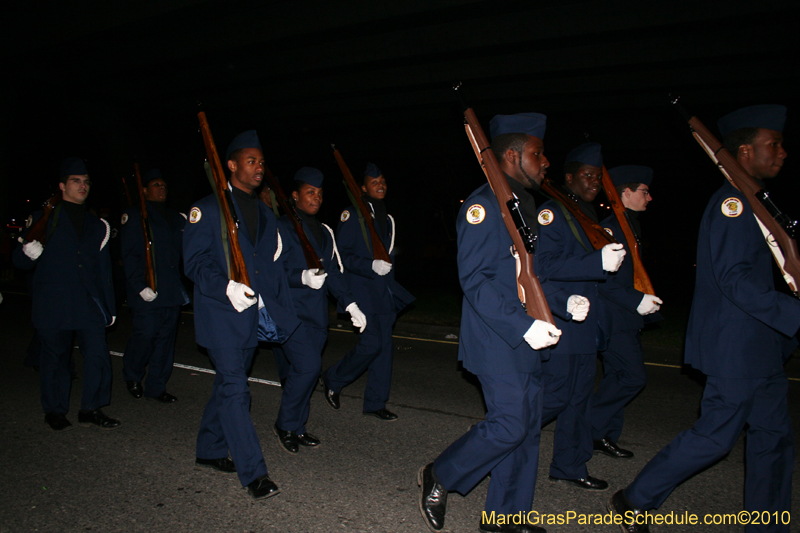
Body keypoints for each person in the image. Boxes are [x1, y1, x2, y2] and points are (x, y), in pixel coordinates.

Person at [609, 105, 797, 533]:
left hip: (762, 345)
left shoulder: (754, 202)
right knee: (715, 437)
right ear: (745, 151)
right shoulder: (733, 203)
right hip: (736, 347)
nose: (783, 153)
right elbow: (736, 280)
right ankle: (635, 499)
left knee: (774, 441)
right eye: (774, 145)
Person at [418, 113, 581, 533]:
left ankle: (503, 518)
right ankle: (440, 473)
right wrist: (522, 326)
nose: (546, 162)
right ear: (511, 155)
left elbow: (531, 274)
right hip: (497, 336)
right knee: (509, 425)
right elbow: (476, 280)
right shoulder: (483, 205)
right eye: (537, 153)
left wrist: (563, 301)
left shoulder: (523, 206)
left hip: (529, 336)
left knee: (526, 429)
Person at [183, 130, 300, 500]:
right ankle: (255, 474)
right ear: (231, 165)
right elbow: (196, 262)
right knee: (236, 389)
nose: (259, 168)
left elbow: (268, 268)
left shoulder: (265, 213)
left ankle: (209, 448)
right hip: (221, 314)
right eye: (251, 161)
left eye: (262, 162)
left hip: (251, 316)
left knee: (225, 386)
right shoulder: (208, 207)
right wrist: (226, 286)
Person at [533, 142, 628, 491]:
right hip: (563, 319)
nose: (594, 182)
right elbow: (543, 266)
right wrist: (595, 262)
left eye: (598, 177)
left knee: (579, 401)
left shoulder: (586, 216)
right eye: (587, 175)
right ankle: (500, 432)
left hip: (587, 323)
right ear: (568, 177)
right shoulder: (553, 213)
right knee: (556, 396)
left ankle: (570, 465)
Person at [13, 157, 120, 431]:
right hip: (54, 300)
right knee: (55, 358)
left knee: (97, 354)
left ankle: (91, 407)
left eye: (86, 182)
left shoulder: (98, 225)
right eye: (76, 181)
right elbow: (19, 261)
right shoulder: (43, 218)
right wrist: (28, 253)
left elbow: (103, 270)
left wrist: (110, 307)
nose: (82, 186)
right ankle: (55, 410)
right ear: (62, 186)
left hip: (88, 301)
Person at [272, 167, 367, 453]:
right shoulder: (281, 227)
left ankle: (297, 427)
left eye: (320, 193)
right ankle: (285, 424)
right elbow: (271, 272)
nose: (316, 198)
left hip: (316, 316)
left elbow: (334, 273)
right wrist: (300, 277)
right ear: (294, 196)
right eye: (310, 192)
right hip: (290, 313)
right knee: (309, 367)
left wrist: (350, 304)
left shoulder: (325, 231)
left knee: (305, 373)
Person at [321, 162, 414, 421]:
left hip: (383, 294)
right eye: (374, 182)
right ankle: (334, 377)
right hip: (361, 292)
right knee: (372, 344)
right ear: (362, 189)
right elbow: (342, 256)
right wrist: (369, 265)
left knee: (384, 349)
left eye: (383, 181)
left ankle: (375, 402)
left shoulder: (388, 218)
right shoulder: (352, 215)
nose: (381, 185)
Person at [591, 165, 662, 459]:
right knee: (633, 377)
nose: (650, 197)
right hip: (614, 318)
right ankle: (588, 426)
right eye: (644, 191)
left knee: (616, 378)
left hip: (626, 318)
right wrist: (637, 301)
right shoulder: (611, 228)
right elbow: (604, 281)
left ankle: (604, 435)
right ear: (627, 193)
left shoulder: (630, 224)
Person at [120, 168, 189, 403]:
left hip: (170, 290)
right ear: (145, 190)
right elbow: (129, 255)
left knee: (165, 341)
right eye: (156, 185)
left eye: (164, 185)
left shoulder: (177, 217)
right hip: (147, 288)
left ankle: (156, 387)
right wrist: (139, 286)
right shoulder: (135, 215)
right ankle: (132, 374)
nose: (162, 189)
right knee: (145, 334)